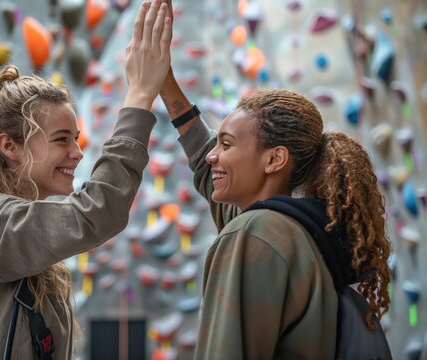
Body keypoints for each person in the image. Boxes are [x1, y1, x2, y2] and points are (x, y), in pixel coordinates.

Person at [0, 1, 172, 358]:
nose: (77, 152)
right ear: (10, 146)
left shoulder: (6, 221)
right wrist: (140, 96)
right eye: (61, 139)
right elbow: (95, 213)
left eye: (75, 137)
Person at [157, 4, 391, 358]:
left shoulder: (253, 234)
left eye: (227, 144)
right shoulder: (304, 231)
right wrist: (165, 83)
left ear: (274, 159)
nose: (212, 155)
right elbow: (206, 167)